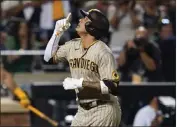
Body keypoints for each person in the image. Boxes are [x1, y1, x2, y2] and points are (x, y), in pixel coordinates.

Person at [44, 9, 121, 126]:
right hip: (82, 111)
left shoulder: (103, 52)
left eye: (85, 19)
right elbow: (48, 58)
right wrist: (57, 32)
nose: (80, 20)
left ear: (92, 27)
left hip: (104, 109)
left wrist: (80, 83)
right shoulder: (73, 45)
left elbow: (112, 87)